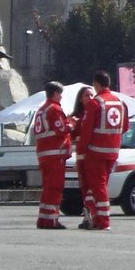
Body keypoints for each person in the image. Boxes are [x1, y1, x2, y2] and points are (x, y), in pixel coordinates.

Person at [75, 69, 125, 230]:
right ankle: (94, 216)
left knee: (98, 186)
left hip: (96, 152)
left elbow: (87, 131)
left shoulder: (95, 103)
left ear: (96, 84)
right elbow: (125, 127)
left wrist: (81, 151)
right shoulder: (119, 102)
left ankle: (103, 220)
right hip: (113, 151)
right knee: (98, 185)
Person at [33, 81, 75, 229]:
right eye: (60, 94)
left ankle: (43, 219)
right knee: (55, 187)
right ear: (56, 93)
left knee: (47, 188)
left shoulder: (41, 109)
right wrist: (71, 124)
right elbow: (61, 130)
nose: (62, 97)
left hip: (44, 154)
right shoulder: (54, 109)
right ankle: (51, 220)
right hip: (55, 154)